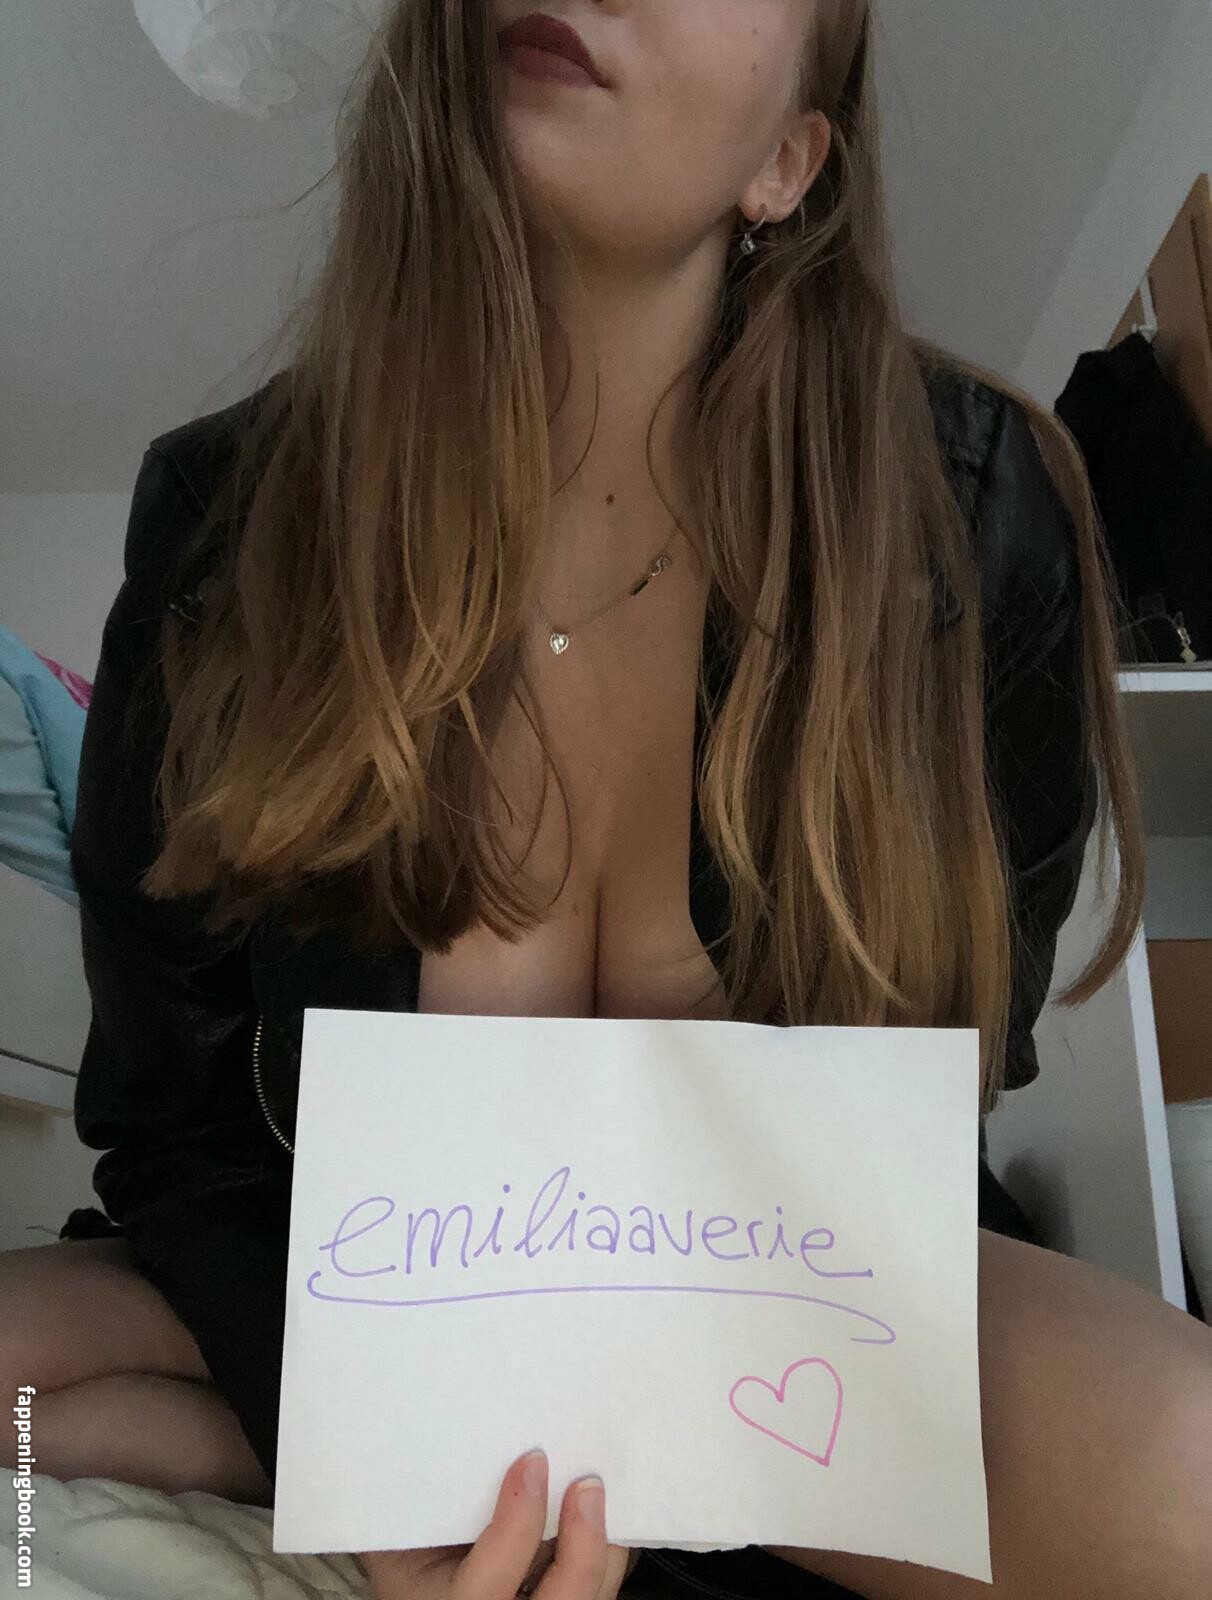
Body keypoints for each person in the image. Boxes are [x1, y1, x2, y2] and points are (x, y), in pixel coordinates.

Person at [3, 2, 1211, 1597]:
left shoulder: (969, 523)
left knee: (1190, 1481)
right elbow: (171, 1136)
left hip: (782, 1315)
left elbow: (941, 1077)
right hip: (347, 1280)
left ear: (789, 162)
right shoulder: (232, 524)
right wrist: (362, 1462)